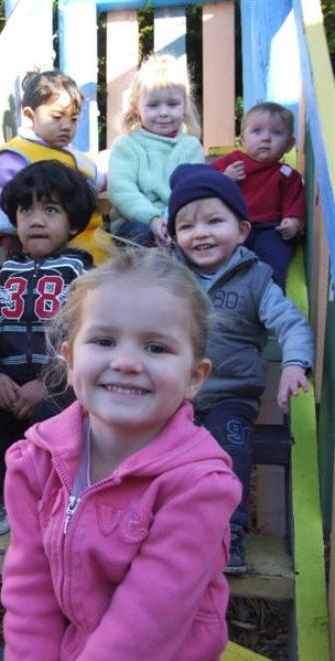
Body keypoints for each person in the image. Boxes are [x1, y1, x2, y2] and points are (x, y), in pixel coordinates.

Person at [1, 248, 242, 660]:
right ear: (71, 359)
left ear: (194, 377)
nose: (126, 362)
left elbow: (149, 619)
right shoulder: (34, 462)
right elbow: (29, 591)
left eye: (156, 348)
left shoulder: (199, 485)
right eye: (104, 340)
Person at [167, 163, 314, 573]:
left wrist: (293, 363)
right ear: (174, 236)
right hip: (170, 396)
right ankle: (158, 534)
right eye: (187, 226)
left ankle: (227, 537)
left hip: (230, 396)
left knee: (228, 454)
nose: (201, 233)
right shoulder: (166, 277)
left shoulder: (257, 279)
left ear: (243, 230)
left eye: (215, 221)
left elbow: (291, 324)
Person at [0, 160, 96, 536]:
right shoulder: (0, 278)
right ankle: (4, 499)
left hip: (61, 393)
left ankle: (60, 500)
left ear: (73, 223)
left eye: (50, 209)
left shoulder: (86, 278)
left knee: (54, 414)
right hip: (8, 391)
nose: (36, 219)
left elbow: (94, 338)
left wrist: (52, 382)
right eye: (26, 209)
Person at [0, 69, 106, 264]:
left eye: (73, 119)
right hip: (52, 250)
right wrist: (8, 236)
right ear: (30, 116)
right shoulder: (16, 153)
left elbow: (98, 179)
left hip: (92, 239)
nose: (66, 126)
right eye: (57, 117)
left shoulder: (71, 151)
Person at [108, 53, 204, 247]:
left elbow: (189, 189)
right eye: (153, 105)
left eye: (172, 104)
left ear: (184, 105)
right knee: (139, 236)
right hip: (134, 220)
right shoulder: (127, 145)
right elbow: (121, 189)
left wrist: (170, 222)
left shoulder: (190, 147)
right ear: (136, 107)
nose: (163, 113)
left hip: (180, 219)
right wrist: (152, 219)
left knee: (200, 234)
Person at [211, 102, 306, 290]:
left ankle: (268, 301)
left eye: (276, 133)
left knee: (272, 264)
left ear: (289, 144)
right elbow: (202, 181)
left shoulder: (287, 174)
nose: (266, 138)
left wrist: (293, 221)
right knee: (224, 262)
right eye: (257, 131)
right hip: (233, 226)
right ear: (243, 138)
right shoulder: (233, 162)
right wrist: (224, 178)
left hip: (271, 230)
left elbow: (295, 201)